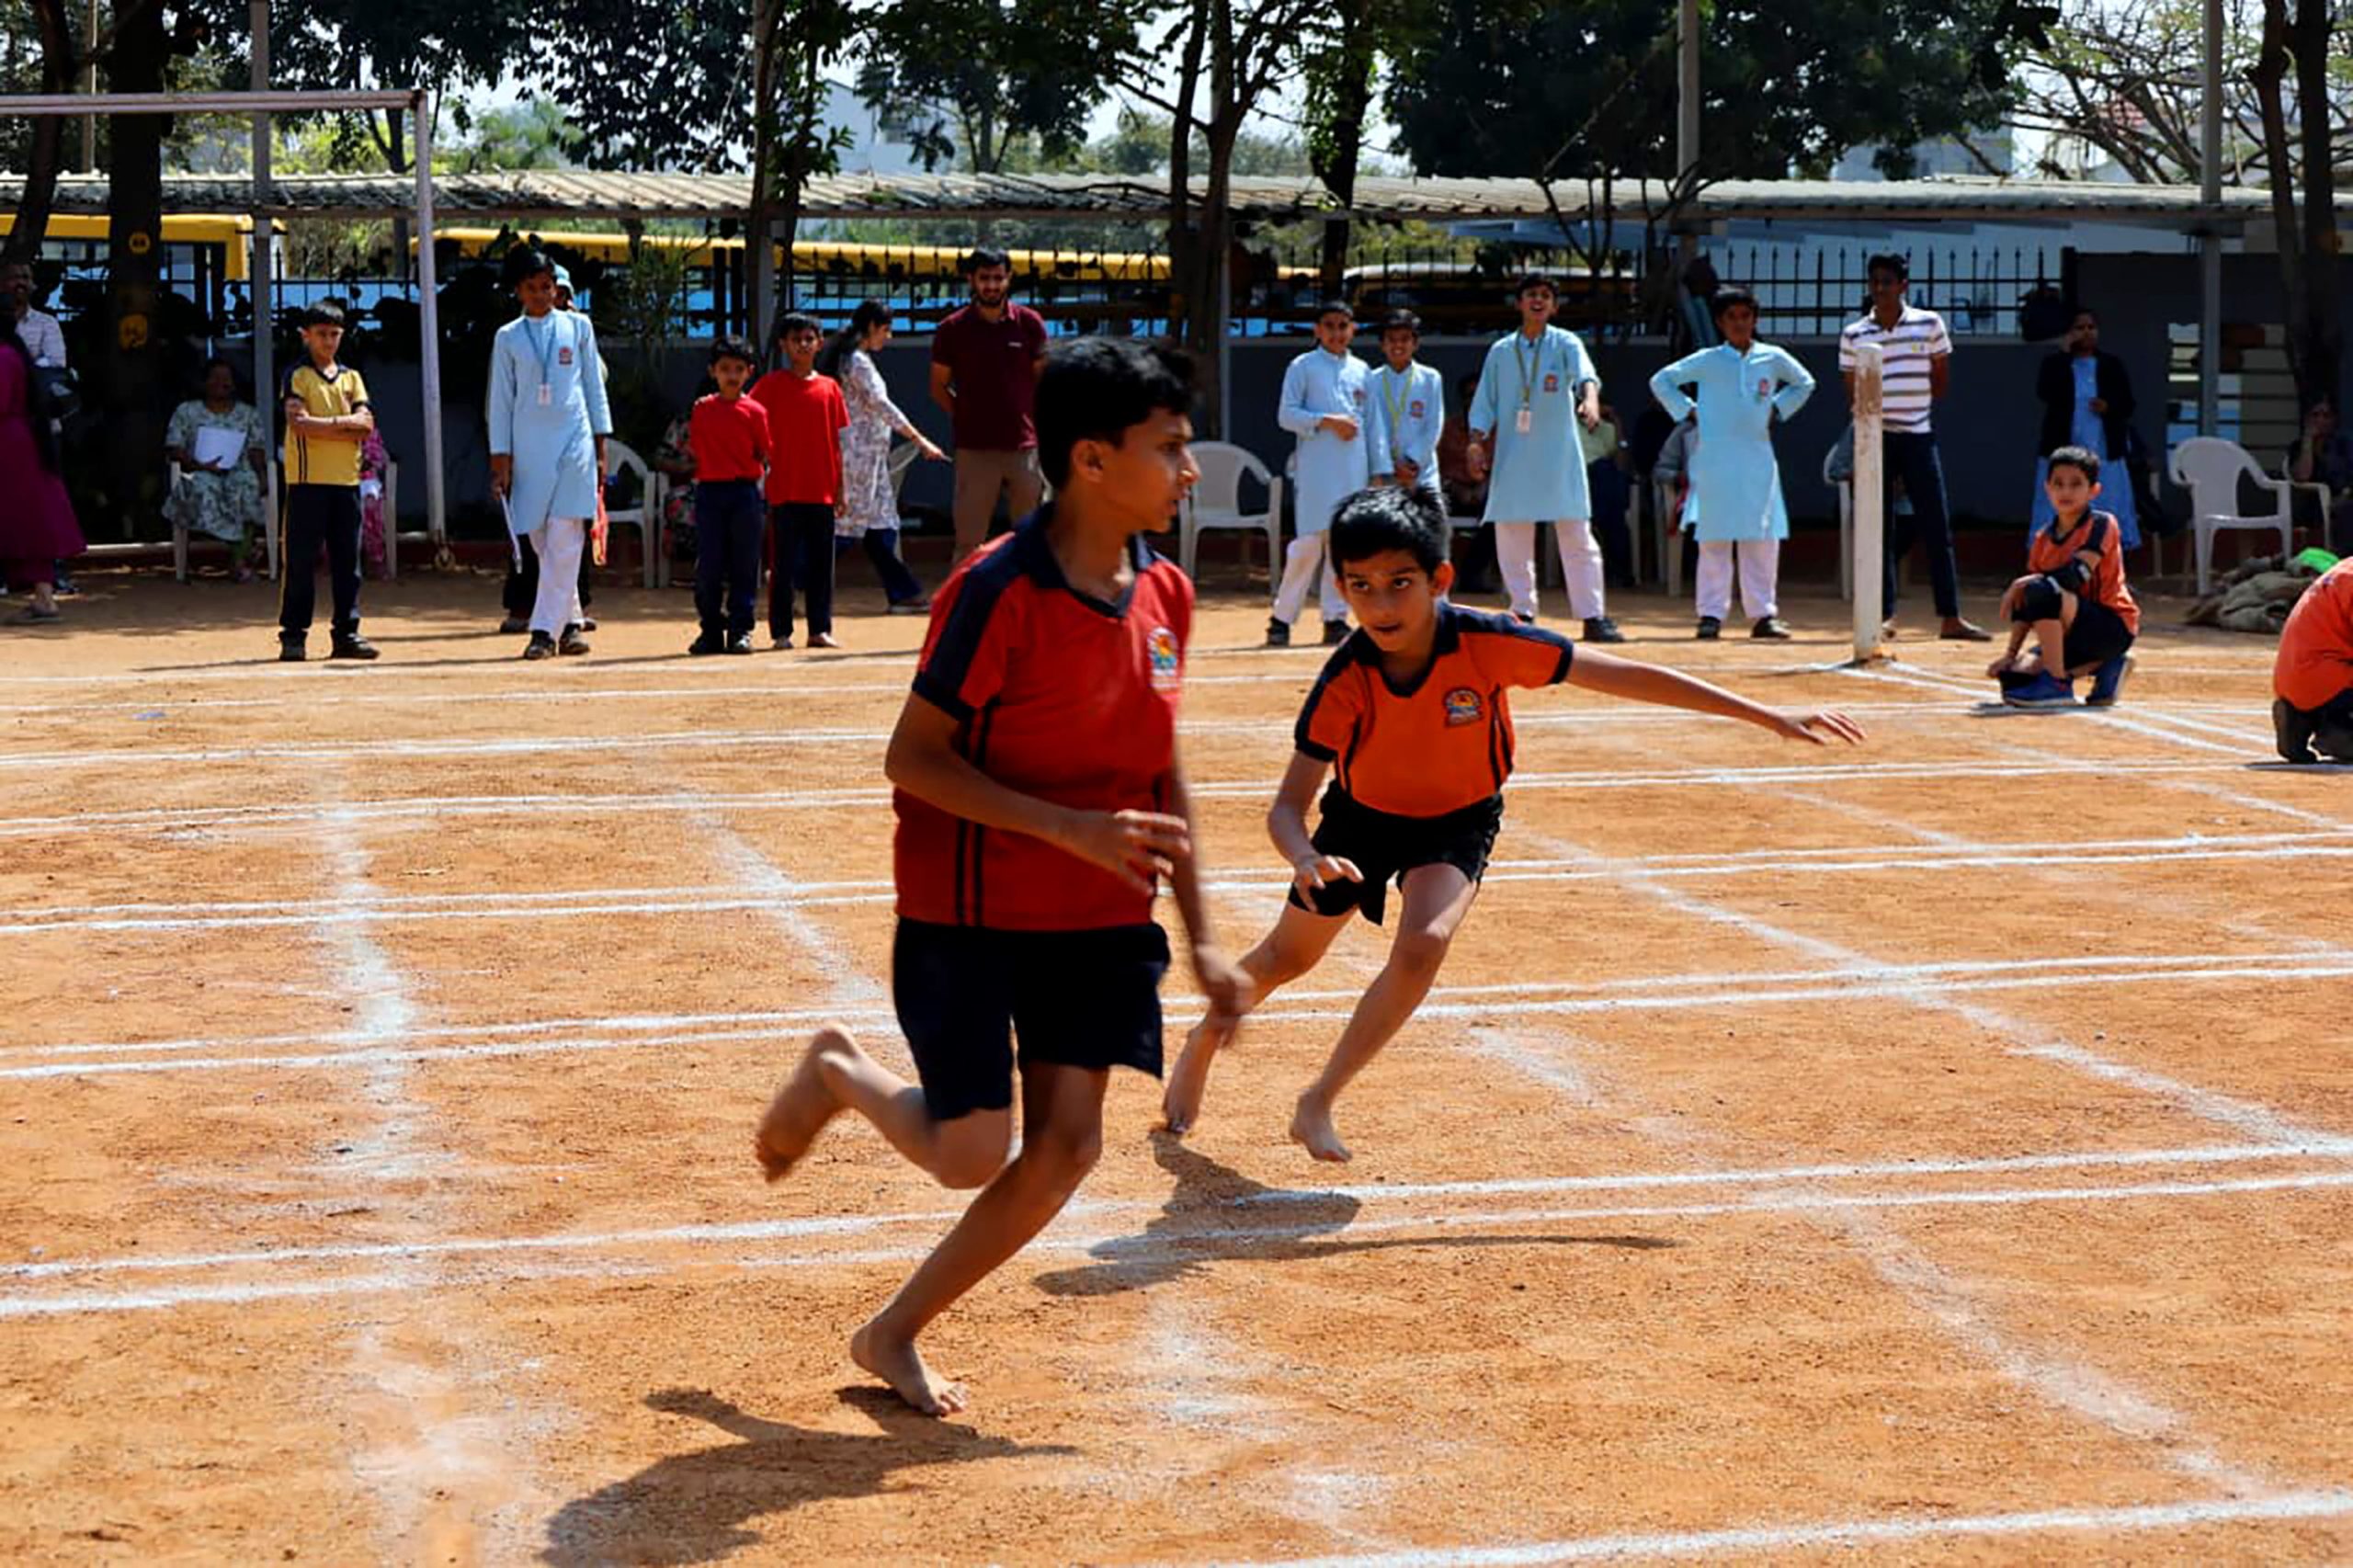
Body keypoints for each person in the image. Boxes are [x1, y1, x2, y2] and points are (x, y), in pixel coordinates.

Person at [750, 336, 1248, 1417]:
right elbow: (912, 757)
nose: (1190, 469)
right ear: (1090, 459)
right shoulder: (997, 590)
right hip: (969, 908)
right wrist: (1066, 827)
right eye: (1169, 449)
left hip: (1102, 912)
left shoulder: (1166, 590)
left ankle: (892, 1330)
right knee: (969, 1153)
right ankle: (838, 1072)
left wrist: (1205, 933)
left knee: (1068, 1145)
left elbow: (1158, 760)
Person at [1160, 486, 1863, 1161]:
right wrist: (1305, 857)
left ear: (1440, 578)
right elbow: (1286, 806)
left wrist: (1768, 716)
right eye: (1359, 585)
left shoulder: (1490, 641)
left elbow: (1626, 674)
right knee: (1288, 960)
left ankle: (1319, 1098)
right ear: (1339, 588)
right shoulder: (1347, 677)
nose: (1379, 602)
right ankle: (1201, 1040)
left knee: (1424, 943)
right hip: (1359, 826)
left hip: (1458, 822)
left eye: (1399, 582)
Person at [1648, 284, 1818, 640]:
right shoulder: (1708, 360)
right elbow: (1662, 381)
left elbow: (1804, 383)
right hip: (1714, 460)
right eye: (1731, 317)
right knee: (1714, 538)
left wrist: (1777, 407)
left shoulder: (1771, 358)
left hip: (1757, 458)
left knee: (1761, 538)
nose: (1739, 323)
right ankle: (1711, 614)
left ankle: (1763, 615)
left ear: (1754, 319)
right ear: (1720, 323)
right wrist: (1688, 412)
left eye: (1745, 316)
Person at [1466, 274, 1623, 642]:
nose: (1538, 301)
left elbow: (1586, 375)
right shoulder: (1502, 351)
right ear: (1518, 303)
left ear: (1554, 306)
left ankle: (1592, 616)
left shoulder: (1566, 342)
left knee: (1576, 534)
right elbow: (1484, 402)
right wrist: (1476, 441)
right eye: (1531, 295)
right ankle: (1522, 611)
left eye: (1545, 296)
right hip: (1514, 456)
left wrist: (1591, 399)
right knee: (1511, 533)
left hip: (1559, 455)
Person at [1840, 254, 1986, 641]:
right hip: (1877, 439)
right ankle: (1883, 615)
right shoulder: (1855, 333)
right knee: (1878, 527)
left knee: (1936, 524)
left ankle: (1950, 616)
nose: (1881, 288)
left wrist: (1912, 411)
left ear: (1903, 285)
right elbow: (1853, 392)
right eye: (1875, 282)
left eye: (1888, 281)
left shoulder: (1930, 324)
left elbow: (1940, 380)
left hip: (1919, 434)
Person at [488, 249, 609, 661]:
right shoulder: (507, 337)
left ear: (557, 288)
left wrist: (600, 443)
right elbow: (500, 401)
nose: (541, 294)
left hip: (574, 441)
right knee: (541, 538)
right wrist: (500, 457)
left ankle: (542, 631)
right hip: (528, 447)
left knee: (566, 534)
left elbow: (594, 386)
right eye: (531, 288)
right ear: (518, 291)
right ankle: (571, 622)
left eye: (547, 287)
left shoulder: (578, 327)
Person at [1985, 447, 2139, 710]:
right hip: (2072, 632)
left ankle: (2057, 683)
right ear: (2047, 488)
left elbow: (2076, 575)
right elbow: (2028, 604)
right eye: (2058, 484)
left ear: (2094, 490)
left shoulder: (2102, 524)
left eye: (2076, 484)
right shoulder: (2043, 538)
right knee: (2014, 679)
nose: (2065, 492)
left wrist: (2024, 584)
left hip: (2111, 626)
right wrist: (2010, 655)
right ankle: (2108, 666)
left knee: (2042, 589)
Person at [820, 300, 942, 613]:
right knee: (848, 526)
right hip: (857, 455)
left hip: (871, 456)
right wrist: (920, 439)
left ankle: (903, 592)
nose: (887, 337)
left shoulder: (853, 360)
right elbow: (882, 406)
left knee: (882, 525)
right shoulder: (857, 362)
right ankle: (795, 577)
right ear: (872, 327)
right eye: (885, 330)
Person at [930, 246, 1049, 562]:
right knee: (969, 545)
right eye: (985, 278)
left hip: (1025, 449)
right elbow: (939, 386)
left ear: (1009, 278)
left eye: (998, 278)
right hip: (974, 450)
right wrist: (966, 416)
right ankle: (963, 609)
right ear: (971, 279)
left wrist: (1033, 425)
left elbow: (1043, 381)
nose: (992, 285)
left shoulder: (1029, 324)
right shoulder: (952, 330)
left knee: (1031, 540)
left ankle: (1030, 608)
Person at [278, 301, 379, 662]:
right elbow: (299, 424)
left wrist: (327, 425)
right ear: (306, 336)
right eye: (321, 334)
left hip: (346, 481)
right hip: (307, 481)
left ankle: (346, 632)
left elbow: (365, 426)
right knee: (301, 561)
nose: (329, 341)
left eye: (334, 334)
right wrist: (343, 424)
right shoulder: (298, 375)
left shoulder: (351, 377)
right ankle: (293, 634)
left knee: (347, 562)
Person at [1269, 301, 1370, 648]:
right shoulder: (1303, 366)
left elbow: (1372, 424)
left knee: (1340, 547)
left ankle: (1335, 617)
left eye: (1343, 326)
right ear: (1317, 330)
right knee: (1308, 545)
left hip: (1353, 469)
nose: (1337, 333)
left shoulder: (1362, 370)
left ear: (1352, 329)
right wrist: (1327, 421)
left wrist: (1377, 469)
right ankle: (1281, 618)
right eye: (1329, 326)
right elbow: (1286, 415)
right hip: (1316, 469)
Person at [751, 312, 851, 650]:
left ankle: (819, 629)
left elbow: (836, 443)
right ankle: (782, 631)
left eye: (809, 339)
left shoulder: (830, 388)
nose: (803, 345)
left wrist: (840, 487)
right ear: (784, 345)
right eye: (796, 339)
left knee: (822, 566)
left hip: (821, 490)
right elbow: (748, 420)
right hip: (784, 491)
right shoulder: (770, 386)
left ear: (819, 343)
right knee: (784, 566)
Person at [687, 336, 771, 657]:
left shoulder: (756, 412)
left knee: (744, 565)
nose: (731, 375)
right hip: (710, 492)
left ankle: (740, 630)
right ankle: (710, 629)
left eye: (738, 369)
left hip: (744, 493)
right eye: (724, 369)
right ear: (713, 372)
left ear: (748, 372)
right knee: (708, 565)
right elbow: (698, 448)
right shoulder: (702, 410)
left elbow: (765, 452)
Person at [0, 309, 83, 624]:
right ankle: (44, 597)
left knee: (23, 523)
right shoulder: (13, 354)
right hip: (19, 443)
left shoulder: (3, 357)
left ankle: (45, 598)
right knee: (30, 523)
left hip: (8, 446)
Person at [2031, 308, 2140, 549]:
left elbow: (2128, 403)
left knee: (2106, 500)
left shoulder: (2111, 364)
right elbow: (2045, 392)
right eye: (2080, 328)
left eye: (2091, 327)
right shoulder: (2055, 364)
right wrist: (2064, 352)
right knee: (2061, 501)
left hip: (2103, 447)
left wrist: (2108, 406)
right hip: (2064, 444)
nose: (2087, 333)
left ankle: (2105, 558)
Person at [164, 357, 268, 582]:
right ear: (204, 382)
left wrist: (262, 475)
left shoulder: (248, 414)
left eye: (227, 379)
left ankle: (239, 560)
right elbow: (174, 447)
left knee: (247, 484)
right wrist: (198, 464)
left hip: (237, 470)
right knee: (203, 486)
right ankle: (242, 554)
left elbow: (256, 449)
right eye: (215, 378)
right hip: (199, 470)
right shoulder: (187, 411)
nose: (222, 383)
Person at [2273, 556, 2353, 763]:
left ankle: (2301, 719)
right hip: (2327, 678)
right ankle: (2337, 731)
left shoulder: (2345, 569)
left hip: (2294, 678)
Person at [1364, 308, 1444, 512]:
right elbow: (1371, 428)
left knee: (1427, 532)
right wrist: (1388, 465)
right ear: (1382, 344)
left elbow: (1434, 425)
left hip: (1420, 471)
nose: (1398, 345)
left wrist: (1412, 461)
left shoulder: (1430, 378)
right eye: (1391, 339)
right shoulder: (1371, 380)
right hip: (1385, 473)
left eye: (1405, 339)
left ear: (1415, 343)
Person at [1581, 402, 1637, 591]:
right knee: (1604, 473)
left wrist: (1617, 423)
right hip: (1579, 479)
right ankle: (1620, 570)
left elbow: (1621, 462)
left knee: (1609, 472)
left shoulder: (1607, 429)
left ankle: (1605, 517)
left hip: (1602, 484)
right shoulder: (1568, 426)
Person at [2286, 399, 2353, 555]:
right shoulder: (2298, 447)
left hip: (2346, 496)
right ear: (2307, 419)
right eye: (2315, 415)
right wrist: (2308, 441)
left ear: (2333, 420)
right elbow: (2302, 476)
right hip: (2316, 505)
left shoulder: (2343, 445)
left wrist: (2346, 493)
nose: (2320, 420)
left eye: (2326, 415)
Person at [653, 401, 701, 572]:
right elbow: (660, 459)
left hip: (727, 487)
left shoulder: (738, 420)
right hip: (689, 487)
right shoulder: (684, 424)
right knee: (680, 505)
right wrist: (683, 468)